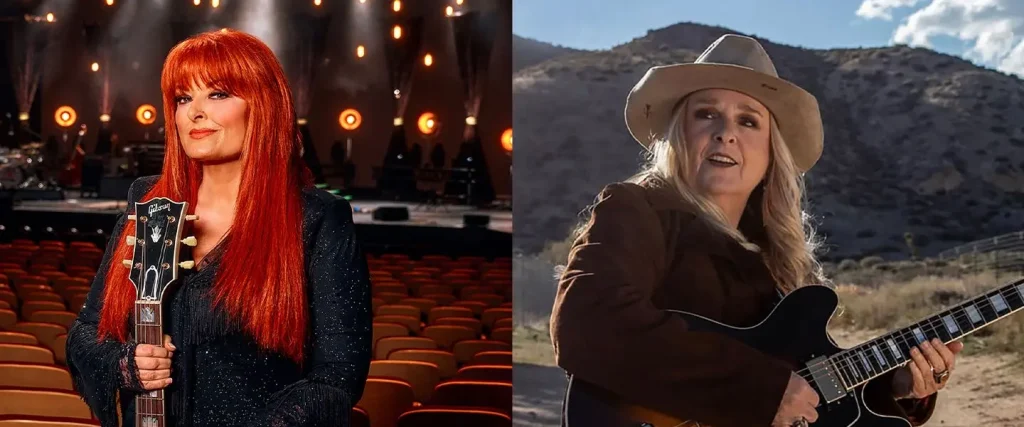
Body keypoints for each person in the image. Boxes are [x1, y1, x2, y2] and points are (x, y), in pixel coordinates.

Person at [549, 34, 962, 427]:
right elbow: (587, 319)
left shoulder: (776, 256)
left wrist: (898, 385)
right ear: (680, 134)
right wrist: (761, 391)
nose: (725, 132)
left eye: (748, 121)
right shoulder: (636, 208)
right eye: (706, 114)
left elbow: (804, 385)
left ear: (770, 153)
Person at [65, 29, 373, 427]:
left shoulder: (316, 218)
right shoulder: (149, 201)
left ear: (262, 105)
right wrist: (128, 364)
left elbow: (338, 375)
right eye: (182, 98)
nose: (194, 111)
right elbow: (87, 332)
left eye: (217, 94)